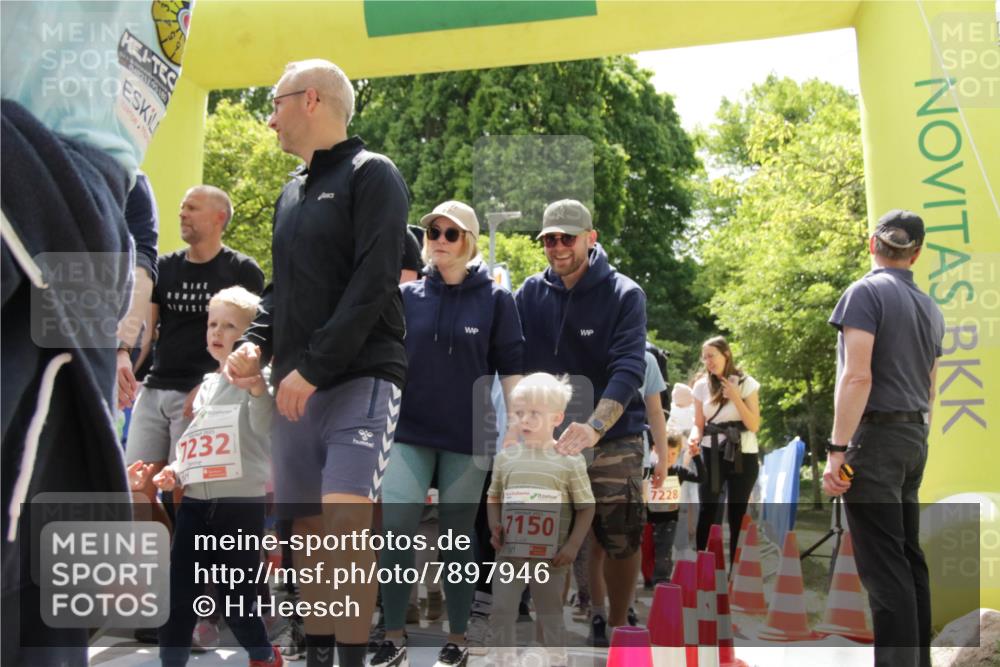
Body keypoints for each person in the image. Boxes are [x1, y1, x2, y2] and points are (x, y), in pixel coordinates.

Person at [2, 4, 192, 664]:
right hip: (73, 192)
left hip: (44, 173)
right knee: (51, 475)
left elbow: (141, 254)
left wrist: (115, 340)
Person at [226, 58, 409, 667]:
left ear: (310, 100)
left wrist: (314, 367)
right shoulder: (290, 193)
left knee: (343, 527)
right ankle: (319, 656)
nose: (269, 117)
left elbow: (376, 279)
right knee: (305, 534)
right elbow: (281, 289)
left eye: (274, 103)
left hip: (360, 378)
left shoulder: (372, 174)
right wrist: (255, 344)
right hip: (294, 388)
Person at [372, 200, 523, 667]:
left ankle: (457, 638)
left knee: (458, 537)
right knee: (397, 529)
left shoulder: (498, 299)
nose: (439, 239)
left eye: (450, 233)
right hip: (408, 431)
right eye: (432, 230)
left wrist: (518, 428)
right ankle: (392, 634)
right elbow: (381, 362)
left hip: (471, 435)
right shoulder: (406, 296)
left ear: (471, 242)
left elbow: (512, 372)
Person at [515, 199, 647, 646]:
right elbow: (510, 361)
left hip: (614, 434)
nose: (557, 247)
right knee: (546, 541)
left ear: (590, 239)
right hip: (548, 439)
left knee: (621, 535)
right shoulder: (528, 294)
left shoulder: (625, 294)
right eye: (549, 239)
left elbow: (629, 367)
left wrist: (594, 426)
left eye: (566, 238)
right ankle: (548, 637)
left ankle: (616, 624)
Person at [822, 210, 943, 667]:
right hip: (913, 436)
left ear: (872, 244)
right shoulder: (931, 308)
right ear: (916, 253)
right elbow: (932, 387)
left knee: (885, 567)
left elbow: (857, 377)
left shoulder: (864, 292)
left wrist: (837, 450)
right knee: (908, 558)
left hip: (874, 438)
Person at [138, 287, 281, 667]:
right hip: (195, 506)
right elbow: (195, 446)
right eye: (212, 323)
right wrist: (173, 472)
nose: (217, 332)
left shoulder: (264, 379)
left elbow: (266, 428)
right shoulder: (205, 385)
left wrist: (255, 387)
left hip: (240, 508)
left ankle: (265, 656)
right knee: (179, 598)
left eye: (230, 326)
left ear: (253, 338)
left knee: (238, 603)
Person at [125, 185, 264, 570]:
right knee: (137, 491)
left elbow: (252, 337)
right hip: (154, 390)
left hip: (205, 397)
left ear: (219, 217)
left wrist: (209, 384)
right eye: (182, 207)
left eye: (192, 207)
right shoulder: (165, 267)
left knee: (185, 496)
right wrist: (125, 371)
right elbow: (145, 330)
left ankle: (192, 592)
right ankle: (156, 584)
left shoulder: (241, 270)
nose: (182, 214)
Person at [487, 374, 595, 667]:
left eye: (535, 413)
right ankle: (502, 659)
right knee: (501, 607)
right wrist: (494, 527)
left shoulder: (570, 460)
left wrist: (572, 545)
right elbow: (493, 497)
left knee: (549, 611)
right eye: (519, 413)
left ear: (557, 417)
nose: (526, 420)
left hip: (550, 558)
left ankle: (555, 657)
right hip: (510, 553)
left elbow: (586, 507)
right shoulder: (505, 458)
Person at [688, 336, 761, 563]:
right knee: (708, 510)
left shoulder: (747, 383)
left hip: (743, 452)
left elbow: (754, 425)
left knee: (737, 513)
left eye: (712, 356)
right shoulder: (701, 386)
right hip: (711, 453)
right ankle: (704, 566)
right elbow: (698, 423)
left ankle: (736, 572)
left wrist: (736, 398)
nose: (708, 361)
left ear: (726, 354)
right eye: (705, 357)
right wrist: (694, 437)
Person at [646, 433, 703, 583]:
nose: (670, 457)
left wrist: (696, 456)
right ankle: (648, 578)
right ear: (657, 450)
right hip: (649, 518)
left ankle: (662, 579)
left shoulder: (679, 471)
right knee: (648, 551)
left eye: (673, 453)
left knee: (665, 550)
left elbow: (701, 478)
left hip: (670, 519)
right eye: (666, 452)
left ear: (678, 454)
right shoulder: (650, 469)